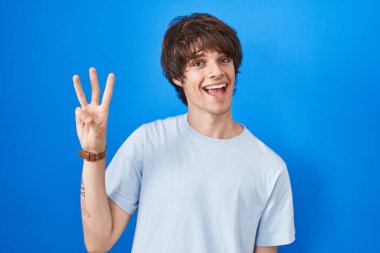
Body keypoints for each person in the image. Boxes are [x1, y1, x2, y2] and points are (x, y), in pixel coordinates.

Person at [73, 13, 295, 253]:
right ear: (178, 77)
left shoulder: (270, 168)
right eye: (199, 63)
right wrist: (93, 152)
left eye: (223, 60)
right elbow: (98, 242)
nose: (216, 72)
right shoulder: (148, 142)